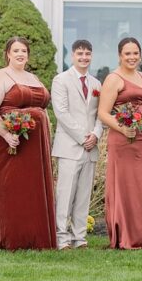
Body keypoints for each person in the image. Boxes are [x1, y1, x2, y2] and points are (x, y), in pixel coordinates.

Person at [0, 36, 57, 250]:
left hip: (35, 145)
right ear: (8, 54)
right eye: (16, 51)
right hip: (10, 143)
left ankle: (35, 236)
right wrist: (6, 134)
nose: (20, 54)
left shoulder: (33, 77)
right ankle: (11, 237)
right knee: (12, 188)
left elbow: (42, 108)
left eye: (24, 50)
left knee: (33, 189)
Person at [97, 37, 142, 250]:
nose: (132, 57)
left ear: (141, 55)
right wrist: (123, 128)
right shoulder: (113, 78)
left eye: (135, 53)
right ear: (120, 56)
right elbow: (103, 113)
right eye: (127, 54)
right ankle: (126, 236)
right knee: (125, 186)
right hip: (124, 140)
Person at [51, 39, 104, 250]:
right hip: (70, 146)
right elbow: (61, 113)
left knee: (83, 195)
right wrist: (83, 137)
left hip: (91, 147)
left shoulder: (96, 84)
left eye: (87, 53)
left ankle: (79, 238)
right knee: (65, 194)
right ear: (73, 55)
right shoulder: (61, 80)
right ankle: (61, 237)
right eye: (80, 53)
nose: (84, 57)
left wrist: (96, 135)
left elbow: (101, 113)